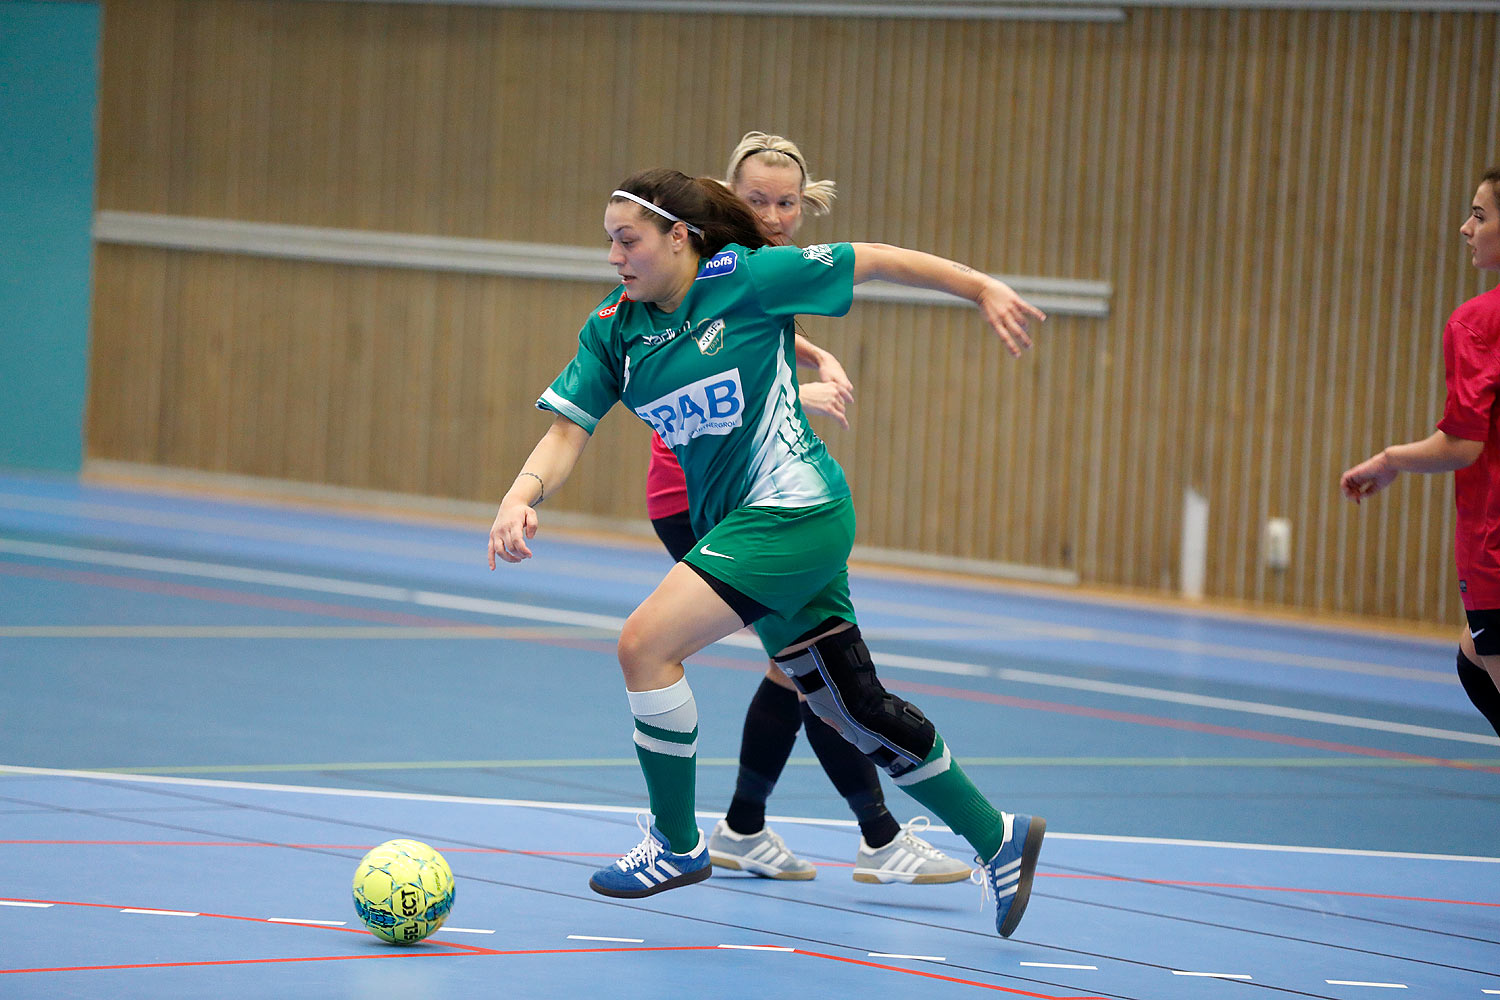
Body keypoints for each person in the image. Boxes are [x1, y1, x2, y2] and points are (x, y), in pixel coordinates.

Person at [488, 168, 1047, 937]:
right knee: (850, 705)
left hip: (793, 509)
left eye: (629, 241)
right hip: (750, 526)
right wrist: (521, 494)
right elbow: (565, 431)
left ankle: (677, 843)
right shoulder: (615, 330)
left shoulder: (746, 281)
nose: (615, 257)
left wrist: (981, 287)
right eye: (609, 243)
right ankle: (999, 837)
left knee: (644, 646)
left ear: (678, 238)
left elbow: (875, 258)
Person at [645, 132, 969, 885]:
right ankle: (876, 839)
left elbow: (747, 328)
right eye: (756, 200)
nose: (775, 214)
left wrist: (808, 353)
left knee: (798, 673)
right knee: (809, 671)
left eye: (787, 202)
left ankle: (748, 829)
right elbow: (715, 358)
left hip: (750, 498)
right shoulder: (703, 262)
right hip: (704, 502)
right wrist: (801, 388)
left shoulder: (756, 272)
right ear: (726, 198)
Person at [1340, 166, 1500, 738]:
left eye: (1479, 216)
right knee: (1473, 663)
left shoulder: (1478, 324)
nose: (1465, 228)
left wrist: (1389, 460)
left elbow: (1463, 444)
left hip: (1493, 552)